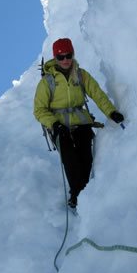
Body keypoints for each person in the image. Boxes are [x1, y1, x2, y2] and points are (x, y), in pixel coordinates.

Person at [33, 38, 125, 210]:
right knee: (69, 158)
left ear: (72, 54)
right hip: (59, 126)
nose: (65, 60)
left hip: (81, 122)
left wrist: (111, 112)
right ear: (55, 58)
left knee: (85, 158)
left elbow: (97, 94)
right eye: (60, 57)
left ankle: (85, 195)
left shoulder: (81, 75)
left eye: (68, 55)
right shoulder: (48, 81)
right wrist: (54, 125)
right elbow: (39, 110)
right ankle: (76, 195)